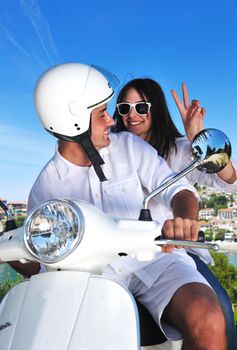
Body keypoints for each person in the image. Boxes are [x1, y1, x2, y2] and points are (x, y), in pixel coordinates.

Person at [26, 63, 227, 349]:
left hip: (157, 259)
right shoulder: (45, 188)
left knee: (209, 316)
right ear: (73, 120)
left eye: (110, 111)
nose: (112, 120)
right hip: (92, 278)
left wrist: (184, 218)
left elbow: (179, 188)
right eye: (102, 113)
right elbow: (38, 261)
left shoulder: (131, 148)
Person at [113, 78, 237, 349]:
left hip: (175, 249)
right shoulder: (110, 155)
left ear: (155, 109)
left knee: (219, 311)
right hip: (124, 254)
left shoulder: (179, 150)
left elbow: (231, 181)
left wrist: (197, 140)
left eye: (141, 107)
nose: (132, 115)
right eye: (125, 108)